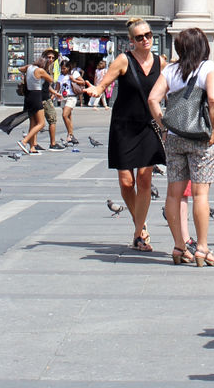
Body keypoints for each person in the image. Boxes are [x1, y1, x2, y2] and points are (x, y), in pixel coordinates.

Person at [83, 16, 166, 251]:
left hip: (149, 126)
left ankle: (139, 232)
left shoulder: (161, 62)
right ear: (131, 41)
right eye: (140, 37)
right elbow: (103, 85)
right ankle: (140, 221)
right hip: (124, 126)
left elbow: (171, 89)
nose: (145, 39)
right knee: (126, 182)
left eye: (148, 35)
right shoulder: (123, 60)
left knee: (144, 179)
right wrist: (95, 89)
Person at [148, 27, 214, 267]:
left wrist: (164, 125)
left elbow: (152, 99)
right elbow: (213, 99)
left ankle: (179, 246)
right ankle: (202, 248)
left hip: (175, 136)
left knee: (173, 193)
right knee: (201, 194)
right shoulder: (209, 68)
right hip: (200, 137)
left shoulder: (170, 70)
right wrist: (213, 130)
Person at [18, 55, 55, 153]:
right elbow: (51, 80)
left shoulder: (29, 67)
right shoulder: (40, 70)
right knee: (41, 123)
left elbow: (20, 69)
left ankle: (32, 147)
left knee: (33, 122)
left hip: (28, 96)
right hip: (36, 96)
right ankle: (24, 141)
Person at [57, 57, 86, 142]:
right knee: (68, 117)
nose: (63, 70)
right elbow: (57, 88)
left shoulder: (74, 73)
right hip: (63, 97)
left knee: (64, 115)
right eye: (61, 68)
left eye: (64, 68)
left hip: (71, 97)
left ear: (68, 67)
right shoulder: (60, 76)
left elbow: (83, 82)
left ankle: (70, 134)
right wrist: (53, 96)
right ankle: (70, 135)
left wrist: (74, 80)